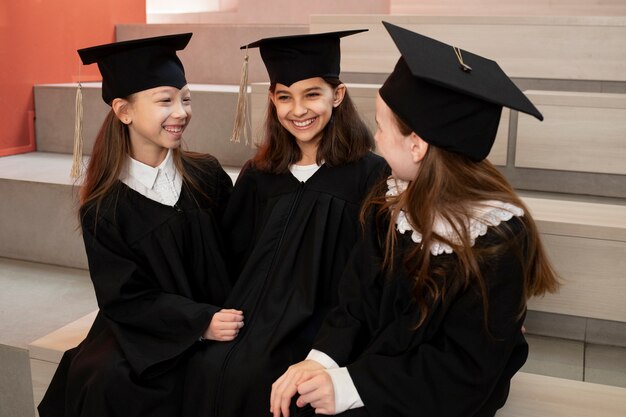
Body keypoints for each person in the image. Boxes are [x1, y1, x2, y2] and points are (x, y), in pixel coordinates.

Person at [270, 22, 560, 417]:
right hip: (382, 359)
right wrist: (321, 360)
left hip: (442, 392)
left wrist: (351, 384)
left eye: (381, 125)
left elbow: (464, 368)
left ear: (417, 145)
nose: (375, 138)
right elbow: (358, 298)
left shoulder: (497, 240)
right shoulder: (390, 200)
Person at [183, 30, 389, 417]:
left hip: (324, 322)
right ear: (272, 100)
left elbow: (369, 270)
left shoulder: (369, 174)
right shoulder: (260, 174)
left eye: (312, 94)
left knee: (262, 380)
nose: (298, 110)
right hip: (255, 317)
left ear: (337, 95)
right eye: (284, 96)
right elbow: (233, 254)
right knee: (206, 367)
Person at [38, 33, 243, 417]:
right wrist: (199, 324)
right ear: (123, 110)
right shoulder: (105, 207)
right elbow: (125, 297)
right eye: (165, 100)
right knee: (106, 379)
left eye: (185, 98)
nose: (181, 111)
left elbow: (238, 248)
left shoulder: (206, 174)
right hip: (153, 326)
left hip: (225, 313)